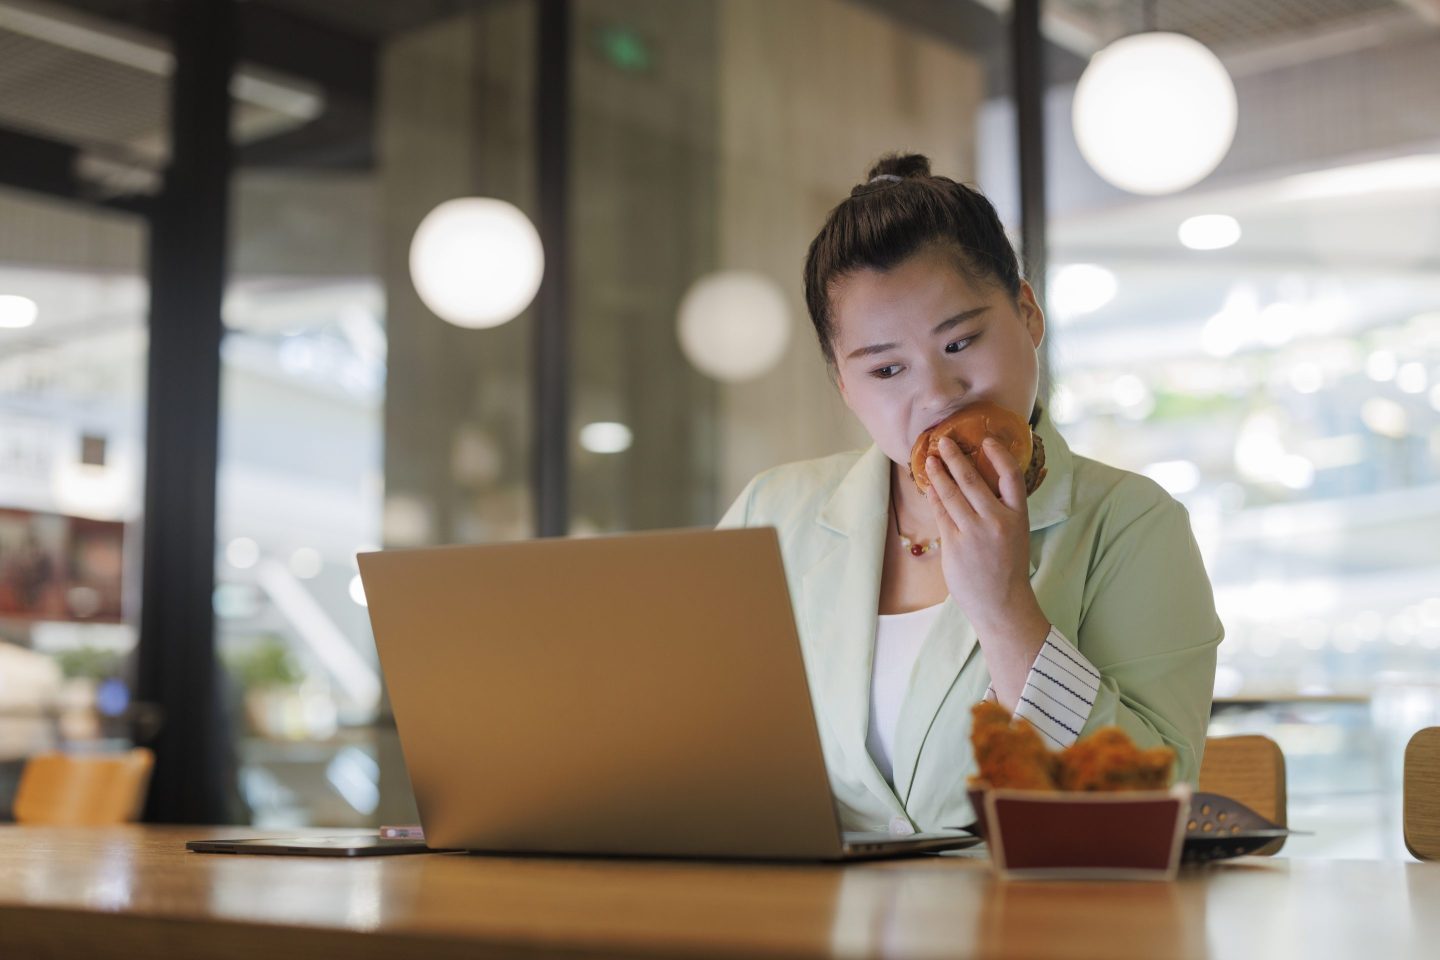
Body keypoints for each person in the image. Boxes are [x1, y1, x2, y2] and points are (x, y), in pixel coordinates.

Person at [717, 153, 1222, 834]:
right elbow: (696, 747)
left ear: (1028, 313)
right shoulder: (771, 515)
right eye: (887, 368)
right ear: (844, 384)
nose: (935, 394)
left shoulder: (1131, 524)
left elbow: (1148, 810)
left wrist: (1005, 608)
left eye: (960, 343)